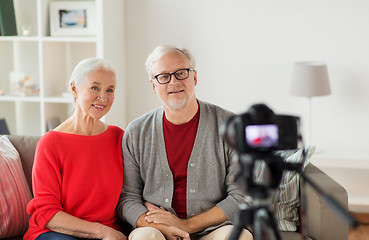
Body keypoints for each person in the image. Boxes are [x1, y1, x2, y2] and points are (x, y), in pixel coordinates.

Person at [117, 45, 253, 240]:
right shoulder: (136, 132)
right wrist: (162, 227)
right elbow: (128, 197)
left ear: (194, 77)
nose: (173, 82)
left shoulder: (231, 126)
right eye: (163, 76)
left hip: (214, 230)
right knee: (143, 237)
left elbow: (241, 196)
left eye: (181, 73)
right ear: (153, 85)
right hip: (158, 230)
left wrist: (186, 225)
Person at [24, 58, 127, 240]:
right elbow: (47, 213)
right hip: (56, 233)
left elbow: (133, 192)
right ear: (74, 89)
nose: (103, 97)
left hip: (110, 232)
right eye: (95, 87)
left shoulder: (119, 137)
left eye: (109, 90)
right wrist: (101, 231)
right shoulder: (51, 143)